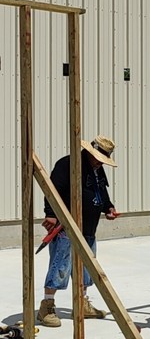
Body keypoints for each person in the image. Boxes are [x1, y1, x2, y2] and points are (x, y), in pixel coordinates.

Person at [37, 135, 118, 327]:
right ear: (90, 152)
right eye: (98, 158)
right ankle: (47, 306)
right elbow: (52, 190)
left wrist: (108, 207)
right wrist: (51, 214)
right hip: (66, 227)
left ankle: (82, 303)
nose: (100, 162)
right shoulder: (67, 165)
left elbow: (101, 192)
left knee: (86, 268)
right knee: (60, 266)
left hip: (88, 228)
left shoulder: (97, 170)